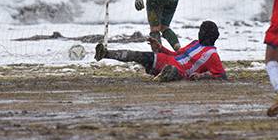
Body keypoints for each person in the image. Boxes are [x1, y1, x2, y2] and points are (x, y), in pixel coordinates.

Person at [94, 20, 226, 81]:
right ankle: (105, 53)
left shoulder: (212, 55)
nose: (199, 33)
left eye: (202, 31)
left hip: (180, 71)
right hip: (166, 60)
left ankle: (163, 76)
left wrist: (202, 76)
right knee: (137, 55)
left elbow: (221, 76)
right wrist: (160, 47)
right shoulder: (195, 43)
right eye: (199, 30)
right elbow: (176, 54)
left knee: (173, 71)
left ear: (208, 35)